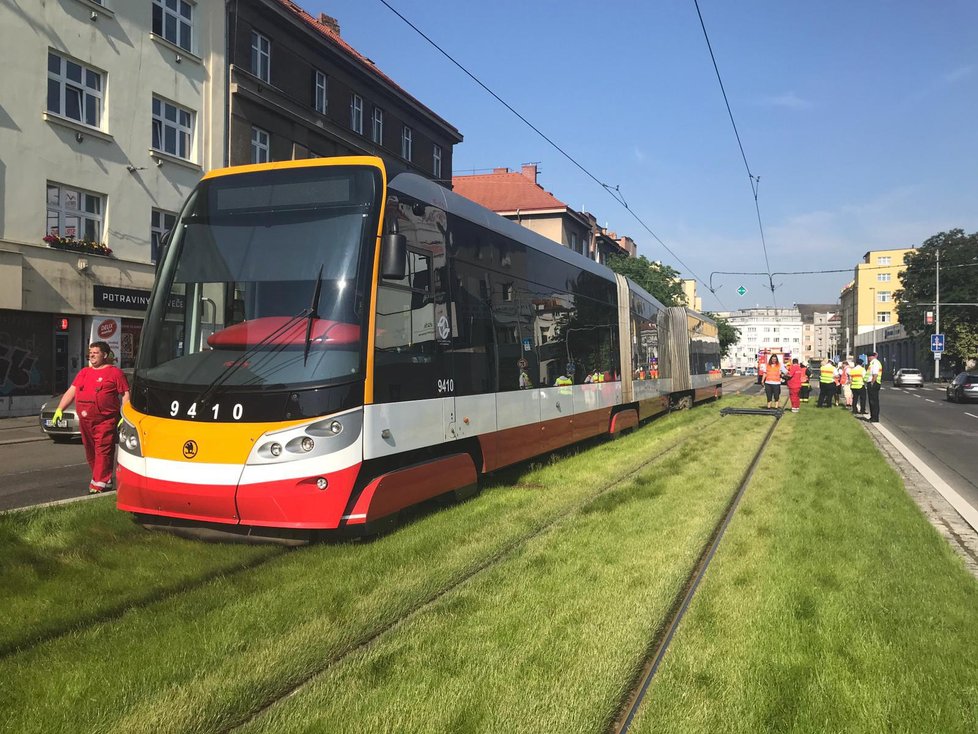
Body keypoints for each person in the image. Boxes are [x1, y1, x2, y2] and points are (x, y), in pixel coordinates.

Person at [53, 341, 130, 493]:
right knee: (91, 451)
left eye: (96, 352)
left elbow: (125, 393)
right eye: (91, 353)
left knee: (103, 450)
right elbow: (71, 391)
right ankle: (104, 479)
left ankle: (98, 484)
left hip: (105, 420)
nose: (92, 355)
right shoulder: (84, 372)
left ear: (105, 355)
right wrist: (60, 409)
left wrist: (125, 414)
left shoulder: (115, 373)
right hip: (85, 420)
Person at [867, 351, 883, 422]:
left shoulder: (875, 363)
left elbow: (875, 374)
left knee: (874, 401)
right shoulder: (873, 363)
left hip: (874, 383)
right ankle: (872, 416)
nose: (868, 359)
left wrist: (872, 383)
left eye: (868, 357)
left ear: (871, 357)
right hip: (873, 382)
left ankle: (875, 418)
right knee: (871, 401)